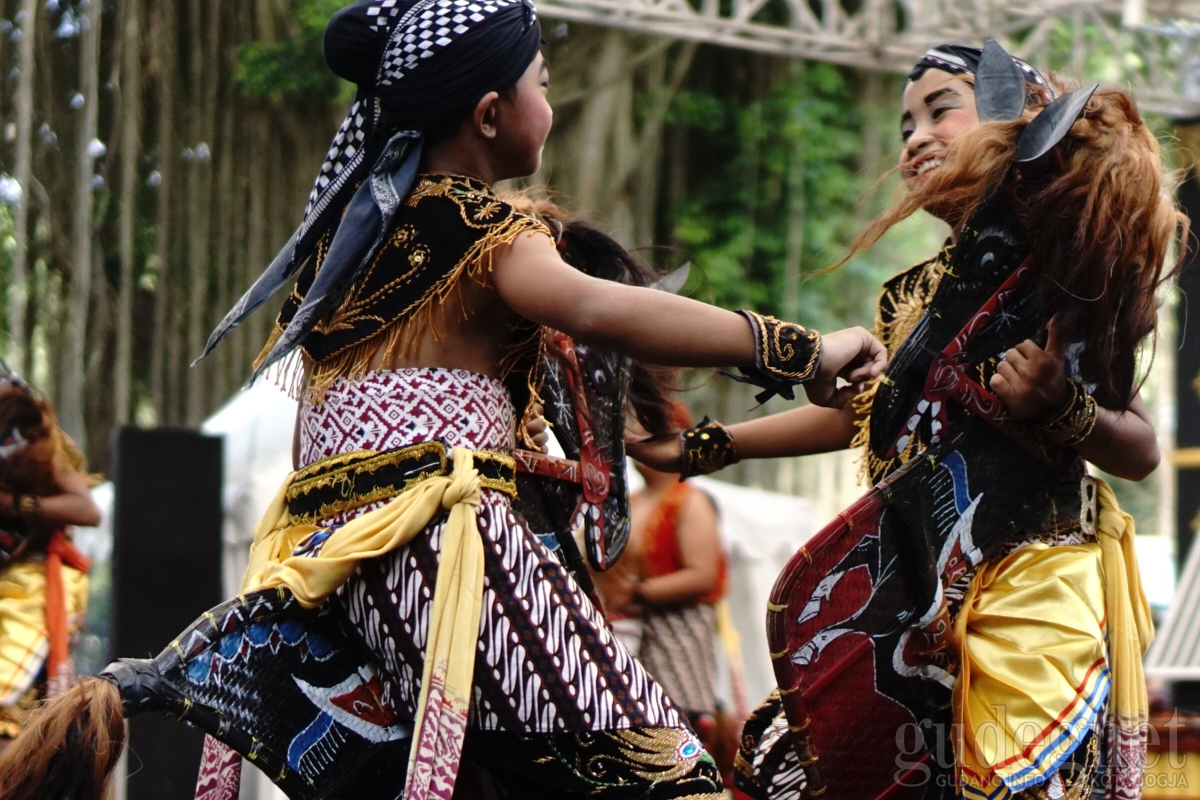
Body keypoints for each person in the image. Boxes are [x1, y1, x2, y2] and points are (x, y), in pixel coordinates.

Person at [0, 3, 886, 799]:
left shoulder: (343, 257)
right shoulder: (489, 231)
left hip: (332, 564)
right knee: (666, 778)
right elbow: (598, 308)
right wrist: (804, 349)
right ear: (491, 113)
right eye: (543, 84)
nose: (553, 103)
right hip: (449, 550)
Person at [630, 43, 1174, 800]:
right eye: (903, 123)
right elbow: (872, 414)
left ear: (1021, 127)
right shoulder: (909, 297)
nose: (914, 136)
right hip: (907, 587)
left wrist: (1064, 406)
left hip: (1027, 588)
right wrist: (706, 447)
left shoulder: (1065, 266)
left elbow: (1142, 449)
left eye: (940, 109)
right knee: (797, 777)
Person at [0, 367, 100, 747]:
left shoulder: (21, 428)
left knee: (6, 703)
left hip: (34, 584)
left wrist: (15, 505)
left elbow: (85, 509)